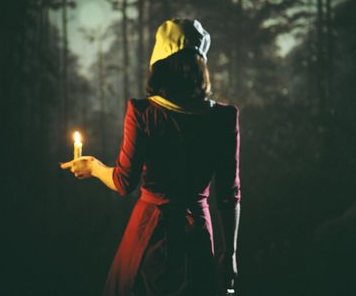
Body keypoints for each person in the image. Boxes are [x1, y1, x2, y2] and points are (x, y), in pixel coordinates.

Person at [61, 18, 241, 296]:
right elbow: (229, 195)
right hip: (198, 240)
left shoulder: (144, 113)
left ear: (160, 66)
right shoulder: (224, 118)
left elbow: (123, 181)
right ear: (200, 64)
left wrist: (94, 167)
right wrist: (230, 254)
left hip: (150, 235)